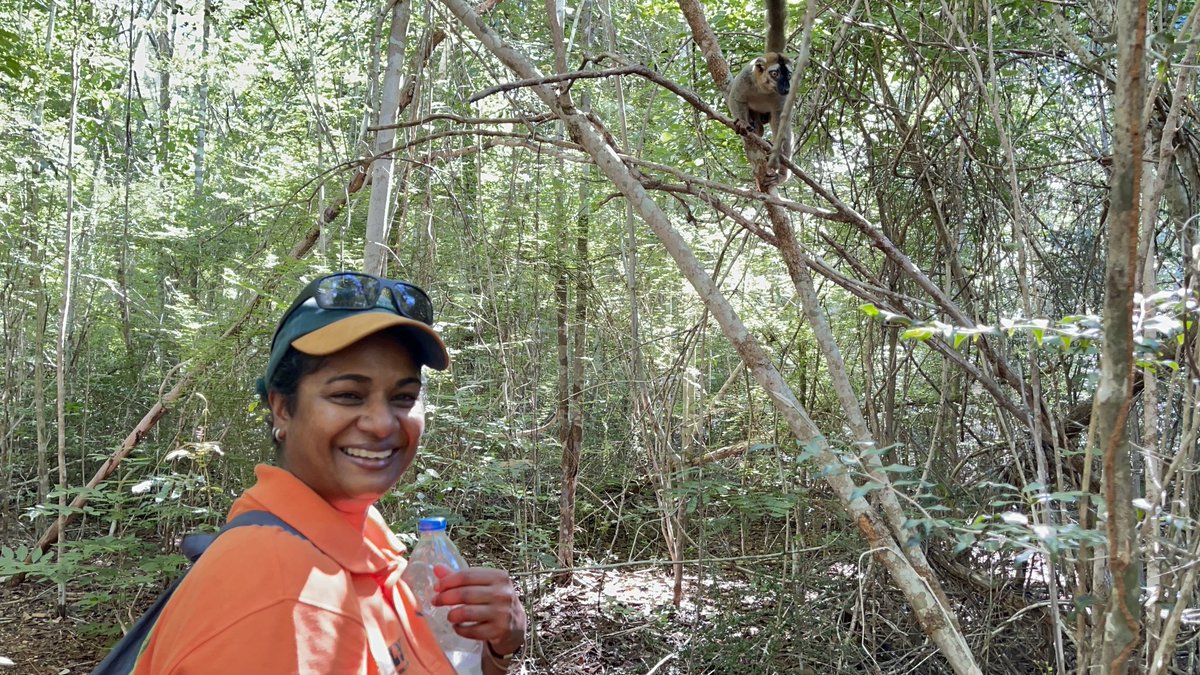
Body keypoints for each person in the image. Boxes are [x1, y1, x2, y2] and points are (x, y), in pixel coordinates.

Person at [131, 271, 526, 674]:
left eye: (403, 397)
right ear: (282, 408)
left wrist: (499, 648)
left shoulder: (362, 542)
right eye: (348, 395)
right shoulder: (284, 592)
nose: (382, 424)